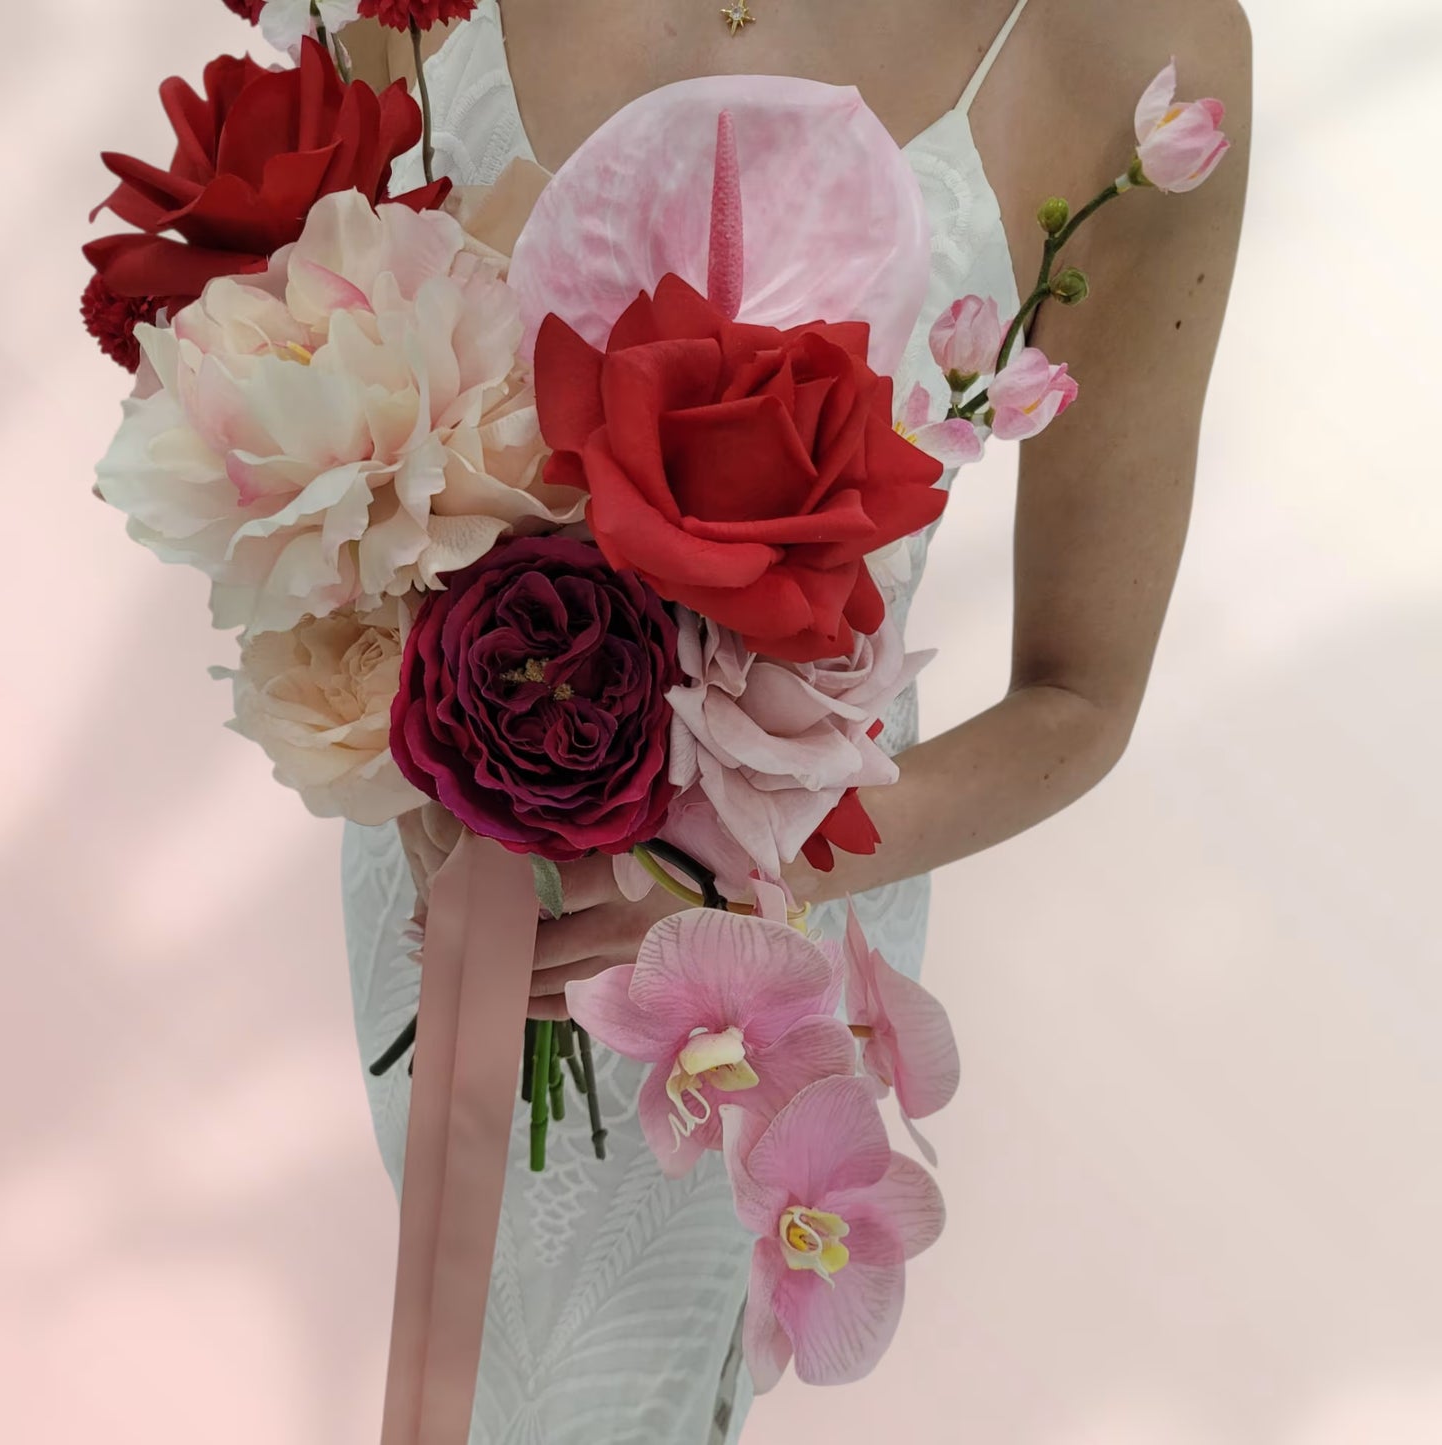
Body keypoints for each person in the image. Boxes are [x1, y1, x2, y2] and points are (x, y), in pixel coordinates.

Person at [338, 2, 1253, 1441]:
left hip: (769, 922)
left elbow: (1079, 694)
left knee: (611, 1396)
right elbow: (324, 409)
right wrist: (412, 756)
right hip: (450, 844)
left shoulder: (1122, 44)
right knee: (468, 1370)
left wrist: (719, 886)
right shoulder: (389, 11)